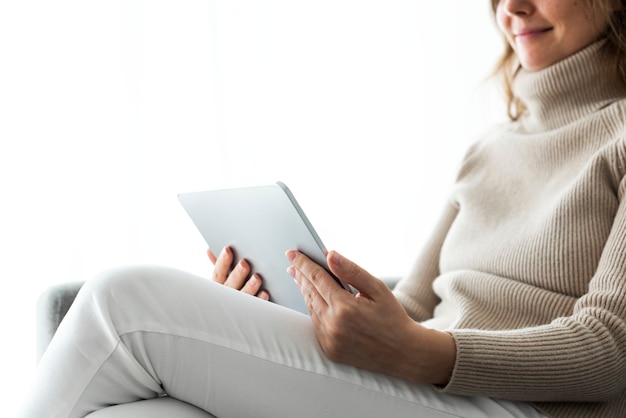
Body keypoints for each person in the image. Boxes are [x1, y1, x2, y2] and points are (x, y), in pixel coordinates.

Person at [21, 0, 626, 417]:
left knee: (122, 302)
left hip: (526, 407)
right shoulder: (489, 149)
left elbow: (609, 350)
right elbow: (411, 310)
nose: (511, 6)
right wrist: (277, 310)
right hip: (428, 386)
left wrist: (422, 353)